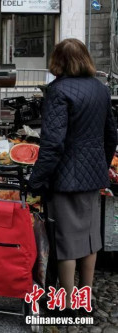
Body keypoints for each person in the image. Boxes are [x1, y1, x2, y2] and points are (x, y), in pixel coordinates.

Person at [29, 38, 117, 312]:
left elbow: (53, 143)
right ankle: (86, 295)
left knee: (66, 240)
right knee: (90, 238)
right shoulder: (101, 90)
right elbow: (111, 134)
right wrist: (101, 165)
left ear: (58, 61)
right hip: (93, 175)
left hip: (65, 177)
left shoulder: (58, 91)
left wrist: (38, 179)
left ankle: (67, 301)